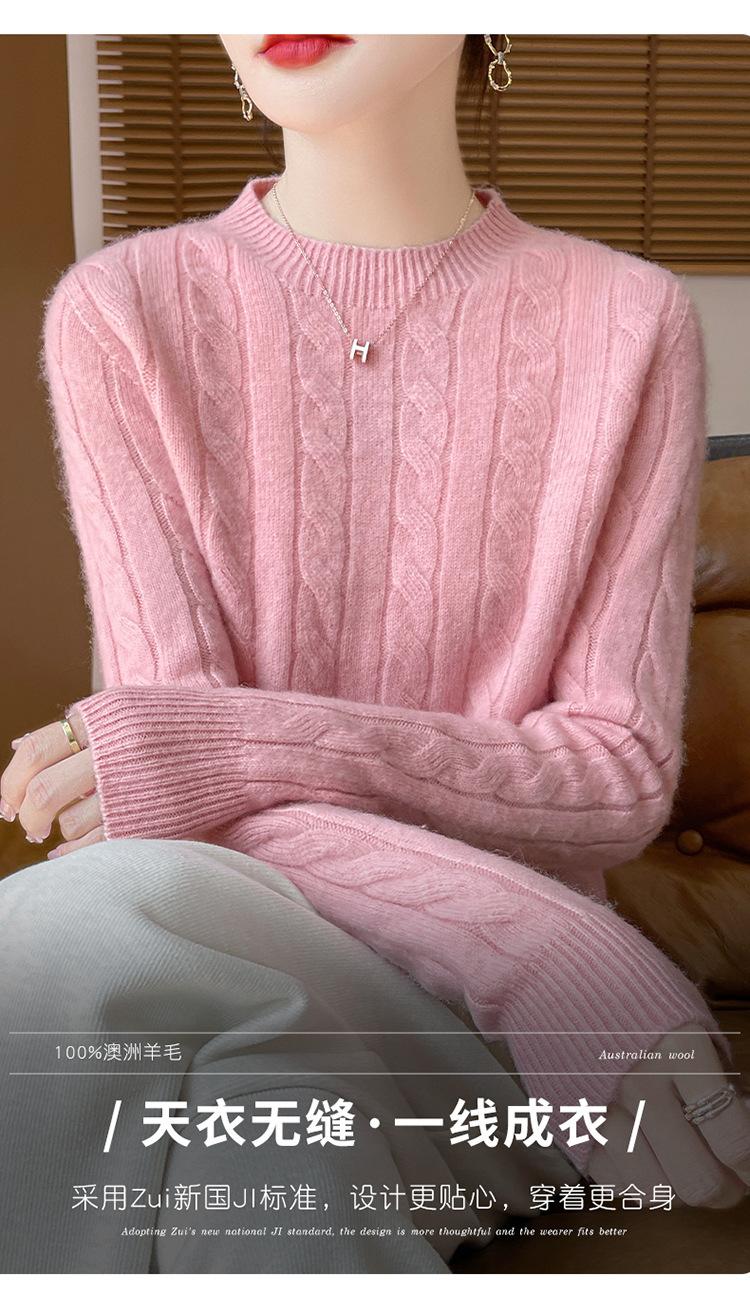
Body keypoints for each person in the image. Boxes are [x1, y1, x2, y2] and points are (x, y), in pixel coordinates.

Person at [1, 34, 748, 1274]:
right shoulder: (121, 309)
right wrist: (538, 947)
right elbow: (184, 779)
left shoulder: (626, 319)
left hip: (487, 1053)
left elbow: (613, 770)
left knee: (61, 928)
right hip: (272, 942)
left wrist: (232, 744)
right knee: (247, 1129)